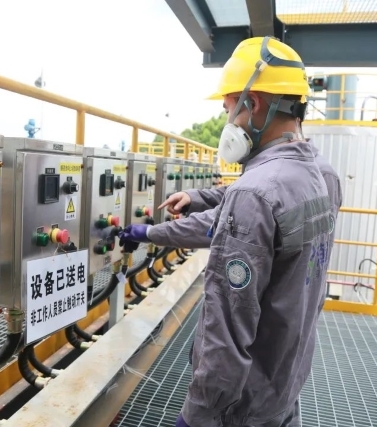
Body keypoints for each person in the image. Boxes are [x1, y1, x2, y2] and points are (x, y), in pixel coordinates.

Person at [119, 36, 342, 427]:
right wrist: (196, 197)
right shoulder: (323, 175)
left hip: (241, 406)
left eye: (228, 110)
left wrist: (198, 414)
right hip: (286, 380)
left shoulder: (255, 194)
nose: (229, 122)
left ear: (252, 104)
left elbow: (226, 330)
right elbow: (244, 203)